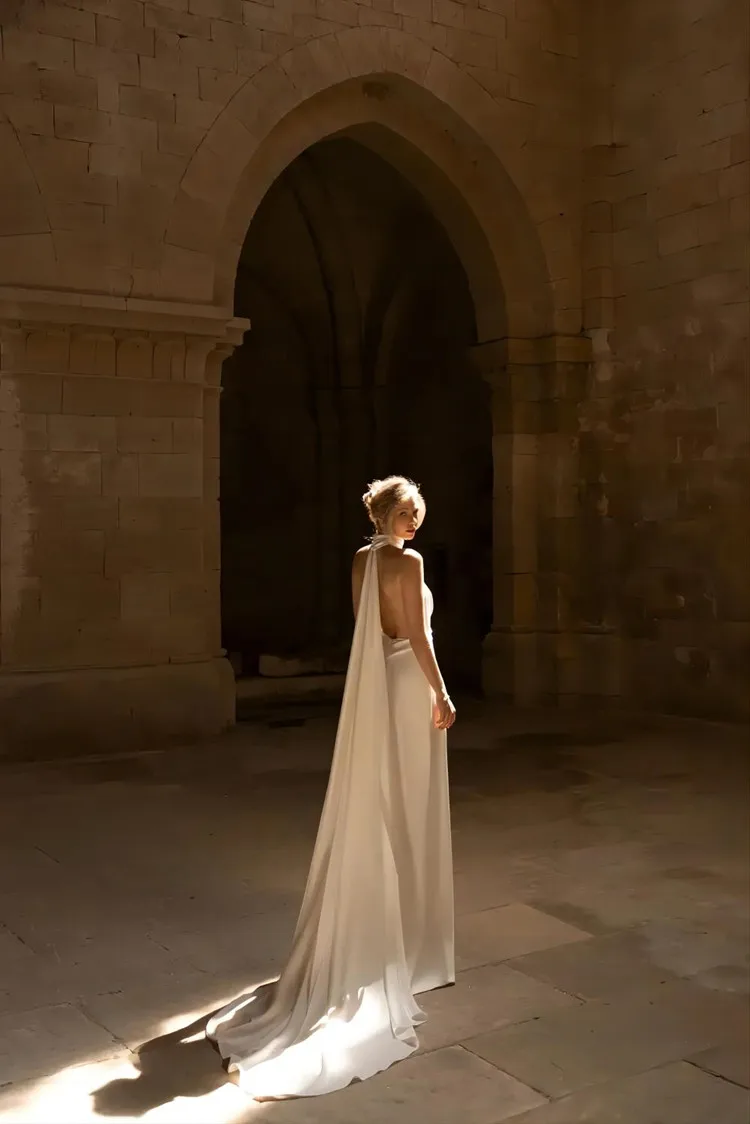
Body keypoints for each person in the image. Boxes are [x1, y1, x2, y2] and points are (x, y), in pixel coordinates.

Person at [206, 476, 456, 1098]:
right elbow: (417, 635)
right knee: (412, 803)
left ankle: (403, 936)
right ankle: (412, 946)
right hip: (411, 682)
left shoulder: (361, 560)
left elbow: (368, 632)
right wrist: (442, 692)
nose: (413, 521)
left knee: (390, 799)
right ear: (383, 512)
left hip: (384, 683)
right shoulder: (408, 563)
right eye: (405, 511)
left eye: (418, 511)